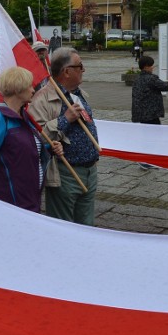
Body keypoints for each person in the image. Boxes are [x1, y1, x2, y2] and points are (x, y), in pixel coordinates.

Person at [0, 67, 63, 212]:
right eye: (29, 86)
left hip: (29, 197)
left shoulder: (24, 116)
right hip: (11, 201)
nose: (33, 90)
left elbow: (25, 149)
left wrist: (50, 148)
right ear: (18, 89)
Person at [29, 47, 99, 225]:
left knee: (87, 225)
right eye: (80, 66)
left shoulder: (77, 93)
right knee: (63, 227)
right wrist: (64, 119)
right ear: (67, 71)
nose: (83, 70)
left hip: (89, 171)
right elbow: (36, 136)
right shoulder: (43, 98)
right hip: (65, 173)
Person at [131, 55, 168, 170]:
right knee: (153, 136)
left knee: (149, 135)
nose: (152, 68)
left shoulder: (138, 79)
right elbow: (165, 86)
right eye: (151, 66)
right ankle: (145, 160)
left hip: (142, 113)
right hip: (150, 113)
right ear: (146, 67)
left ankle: (148, 159)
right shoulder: (151, 79)